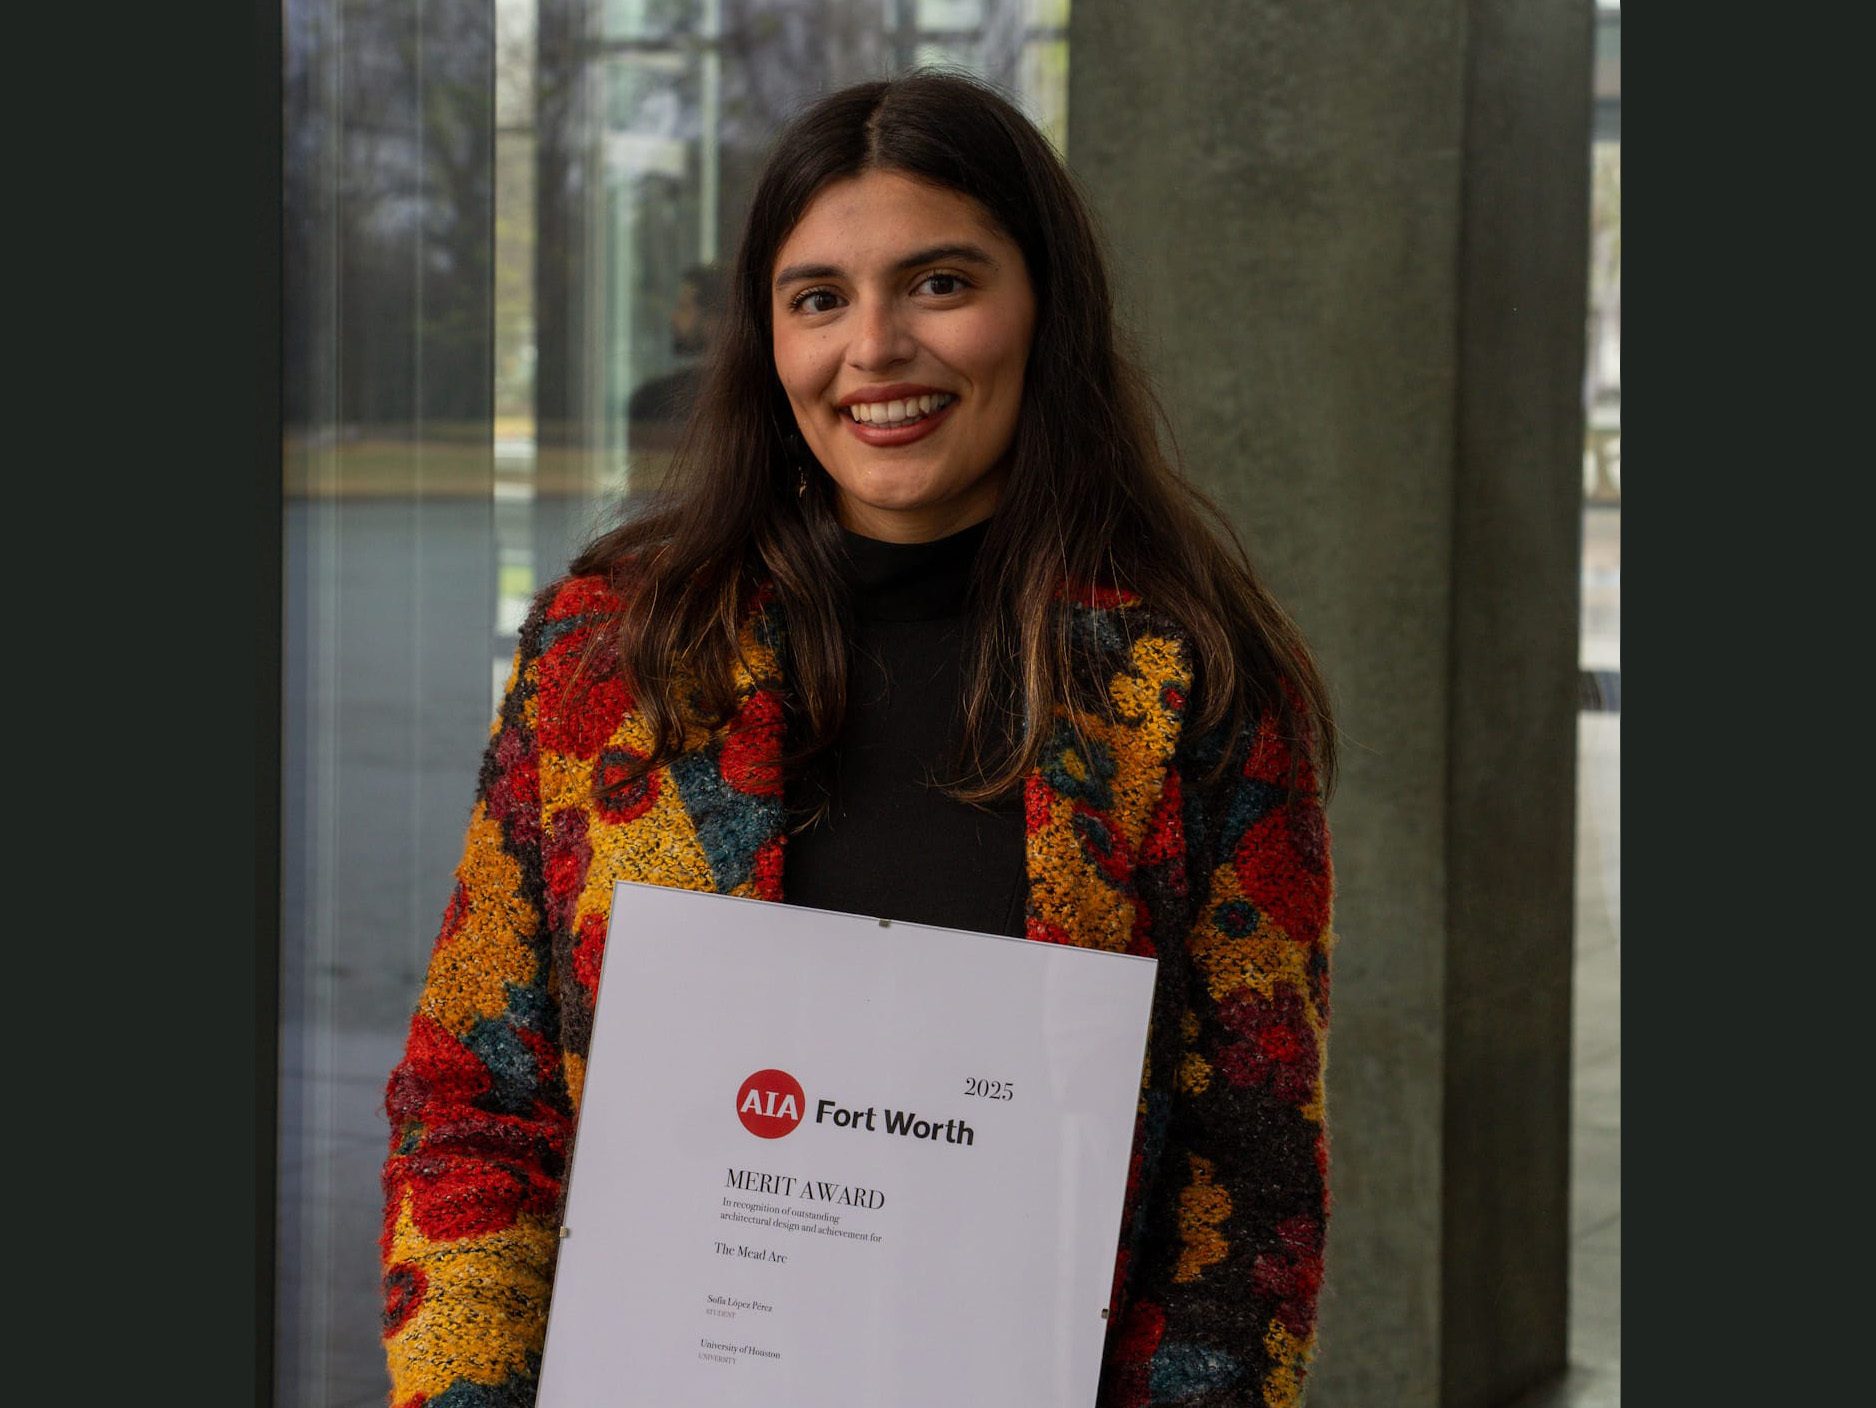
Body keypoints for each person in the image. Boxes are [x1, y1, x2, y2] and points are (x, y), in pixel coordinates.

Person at [381, 69, 1337, 1408]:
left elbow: (1247, 1182)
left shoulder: (1194, 688)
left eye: (941, 283)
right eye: (819, 298)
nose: (875, 347)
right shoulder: (612, 656)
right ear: (768, 340)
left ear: (1045, 306)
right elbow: (474, 1104)